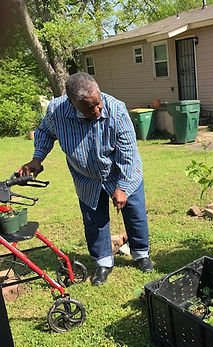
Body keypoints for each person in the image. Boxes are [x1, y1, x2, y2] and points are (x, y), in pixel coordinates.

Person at [17, 72, 154, 286]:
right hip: (86, 178)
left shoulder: (116, 109)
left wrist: (123, 188)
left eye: (98, 103)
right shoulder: (57, 110)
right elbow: (44, 132)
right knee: (94, 221)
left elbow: (128, 152)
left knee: (135, 214)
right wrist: (37, 158)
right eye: (90, 108)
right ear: (72, 103)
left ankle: (141, 255)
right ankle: (103, 262)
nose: (97, 110)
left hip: (122, 171)